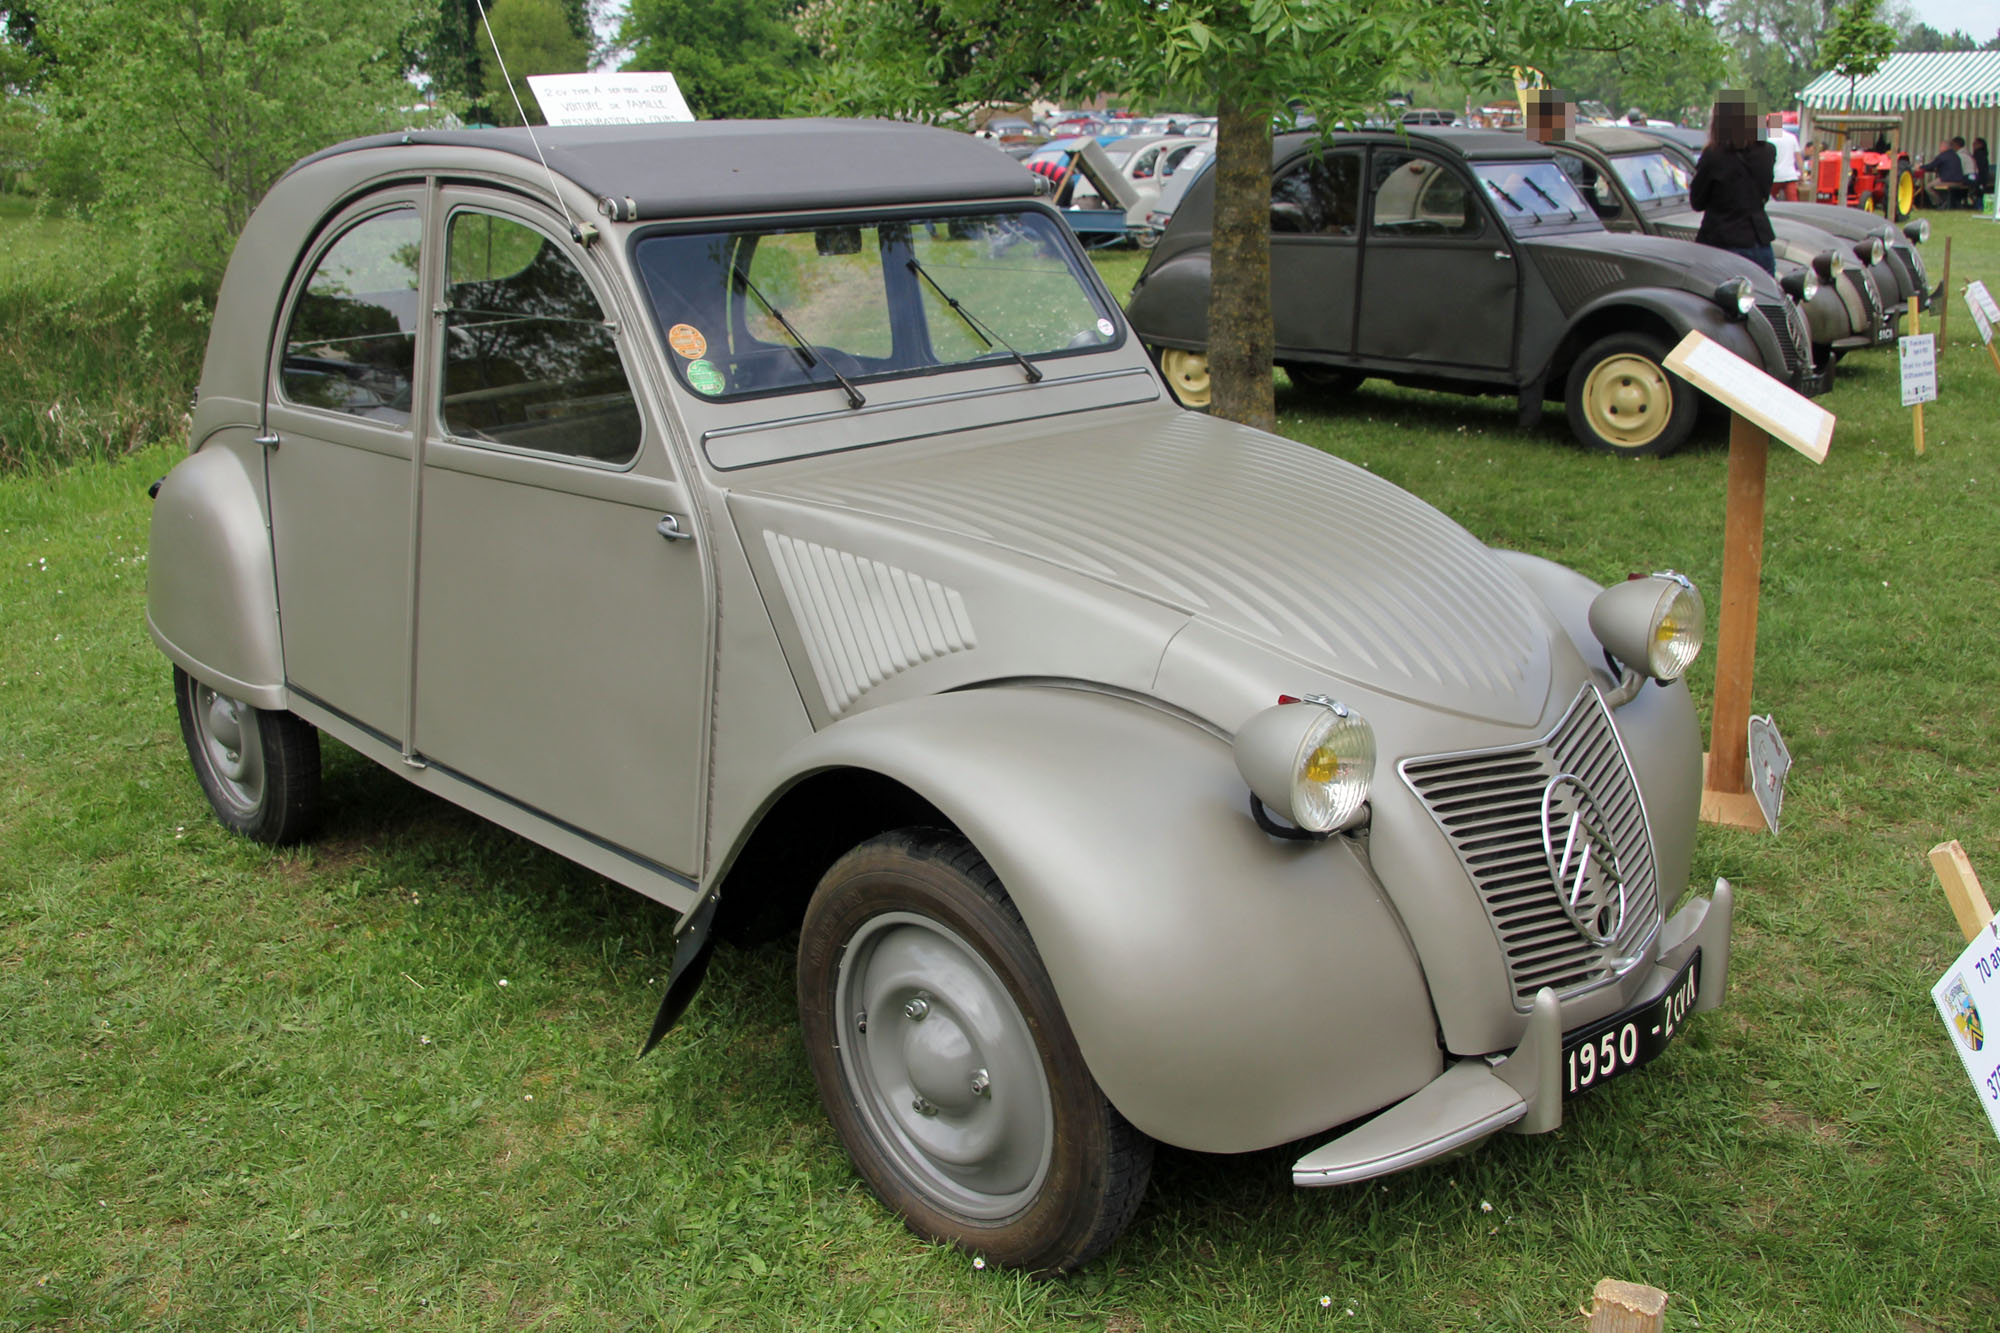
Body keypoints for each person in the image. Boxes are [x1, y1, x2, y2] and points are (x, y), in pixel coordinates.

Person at [1690, 94, 1776, 274]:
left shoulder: (1713, 156)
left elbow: (1697, 202)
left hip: (1722, 243)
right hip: (1760, 243)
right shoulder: (1768, 152)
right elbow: (1764, 193)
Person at [1766, 110, 1802, 201]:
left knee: (1768, 201)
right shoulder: (1791, 137)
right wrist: (1802, 174)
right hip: (1790, 176)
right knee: (1793, 202)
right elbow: (1798, 158)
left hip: (1774, 176)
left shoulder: (1769, 141)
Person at [1925, 138, 1968, 207]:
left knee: (1928, 187)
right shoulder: (1955, 155)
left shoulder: (1943, 156)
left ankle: (1939, 203)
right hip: (1960, 181)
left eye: (1940, 146)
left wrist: (1920, 167)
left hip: (1948, 180)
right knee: (1939, 186)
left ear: (1944, 147)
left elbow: (1930, 166)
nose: (1939, 148)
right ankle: (1944, 202)